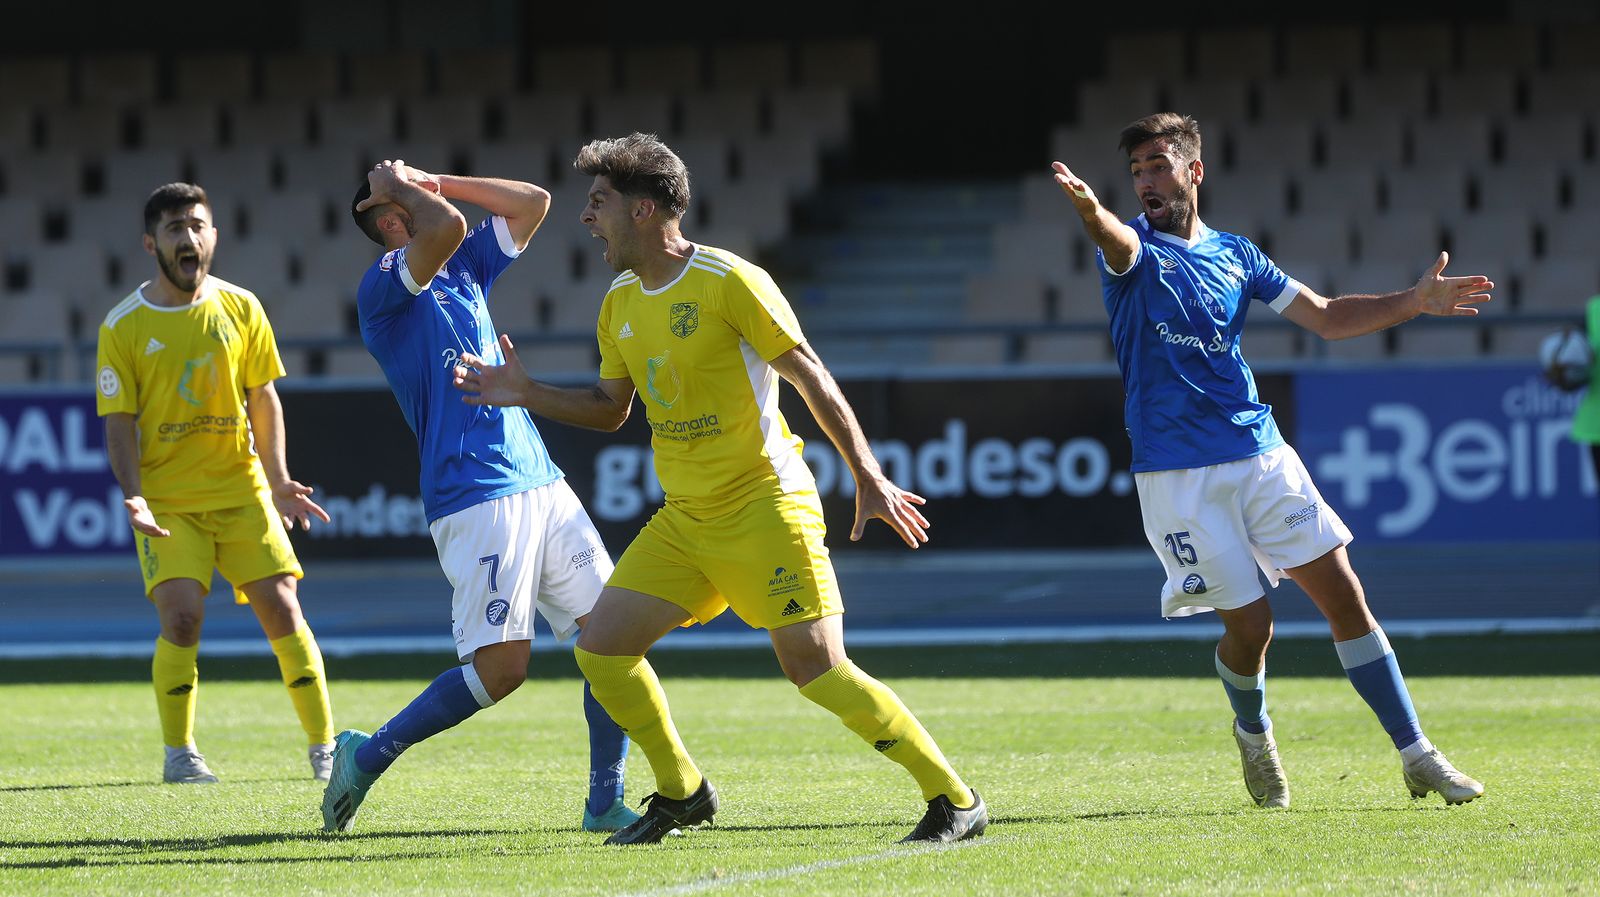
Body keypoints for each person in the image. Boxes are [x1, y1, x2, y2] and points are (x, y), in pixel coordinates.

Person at [451, 133, 987, 845]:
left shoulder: (730, 280)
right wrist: (523, 392)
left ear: (644, 211)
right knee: (601, 650)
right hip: (685, 523)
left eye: (599, 202)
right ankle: (683, 792)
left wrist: (867, 473)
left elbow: (810, 375)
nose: (587, 217)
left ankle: (955, 797)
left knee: (818, 671)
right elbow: (611, 409)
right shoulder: (617, 303)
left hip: (766, 506)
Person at [1051, 113, 1489, 808]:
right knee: (1252, 627)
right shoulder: (1134, 252)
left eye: (1160, 165)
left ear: (1195, 171)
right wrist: (1091, 211)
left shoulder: (1237, 255)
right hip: (1177, 476)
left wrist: (1414, 301)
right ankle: (1253, 733)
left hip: (1259, 453)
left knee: (1345, 594)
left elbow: (1324, 315)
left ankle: (1418, 754)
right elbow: (1113, 238)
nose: (1146, 181)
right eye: (1137, 171)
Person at [320, 159, 639, 835]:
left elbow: (535, 201)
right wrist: (403, 186)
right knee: (501, 671)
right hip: (473, 492)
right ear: (386, 221)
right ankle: (366, 755)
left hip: (539, 478)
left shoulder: (462, 264)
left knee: (614, 638)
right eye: (403, 199)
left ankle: (604, 800)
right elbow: (447, 224)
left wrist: (434, 175)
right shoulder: (384, 289)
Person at [96, 182, 336, 785]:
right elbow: (119, 425)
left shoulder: (242, 307)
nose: (189, 237)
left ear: (213, 237)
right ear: (152, 243)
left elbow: (265, 397)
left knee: (283, 609)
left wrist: (279, 480)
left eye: (198, 226)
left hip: (242, 491)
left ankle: (326, 748)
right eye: (176, 228)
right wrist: (134, 493)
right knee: (181, 620)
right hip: (171, 502)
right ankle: (180, 755)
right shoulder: (122, 326)